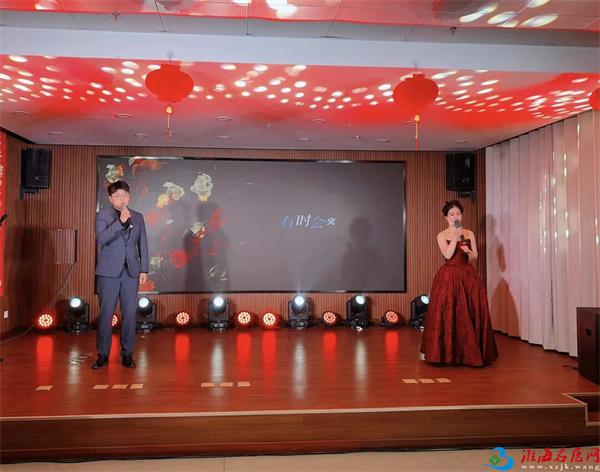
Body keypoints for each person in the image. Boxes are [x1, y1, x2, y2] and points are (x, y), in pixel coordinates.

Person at [420, 200, 498, 366]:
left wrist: (468, 251)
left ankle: (470, 353)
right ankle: (447, 353)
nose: (456, 216)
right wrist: (455, 237)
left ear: (461, 215)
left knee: (469, 312)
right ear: (446, 218)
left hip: (468, 276)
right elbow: (447, 255)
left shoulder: (469, 233)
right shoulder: (441, 235)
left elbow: (474, 256)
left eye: (458, 213)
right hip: (449, 276)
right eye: (452, 214)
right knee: (449, 312)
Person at [92, 180, 148, 369]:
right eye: (117, 196)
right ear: (110, 198)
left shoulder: (138, 217)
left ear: (129, 196)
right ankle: (103, 354)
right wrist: (120, 222)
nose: (121, 199)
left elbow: (143, 244)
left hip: (131, 272)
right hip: (108, 272)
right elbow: (102, 238)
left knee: (130, 314)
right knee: (106, 313)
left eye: (124, 195)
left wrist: (144, 269)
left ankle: (127, 354)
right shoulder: (103, 215)